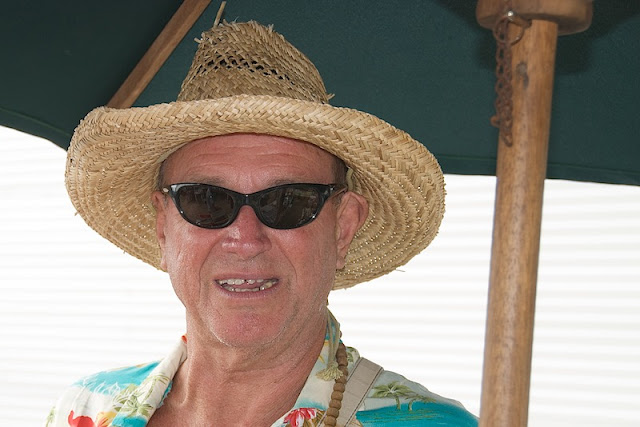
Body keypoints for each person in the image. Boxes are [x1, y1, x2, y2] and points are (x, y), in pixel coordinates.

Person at [47, 19, 477, 427]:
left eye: (288, 202)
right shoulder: (85, 408)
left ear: (343, 229)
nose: (245, 239)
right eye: (206, 201)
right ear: (164, 228)